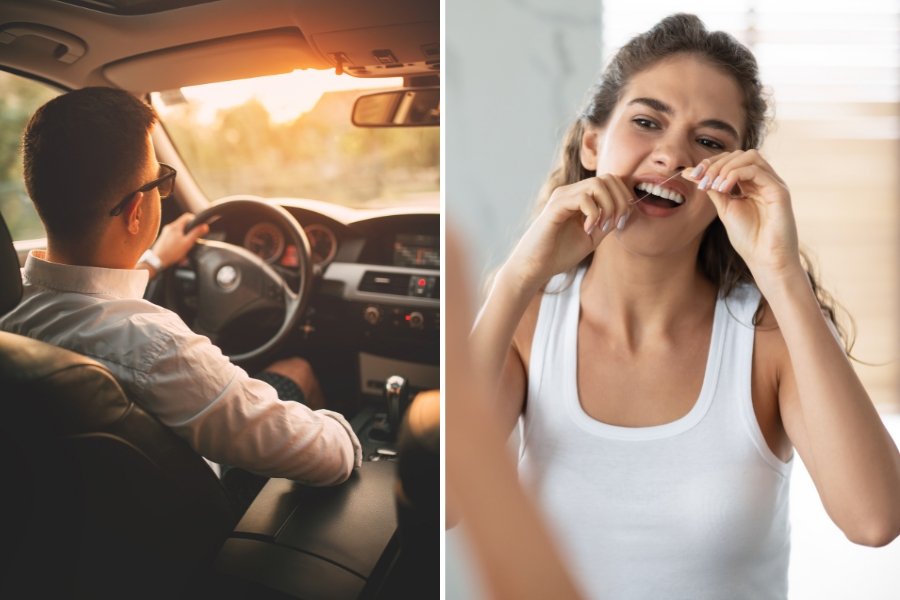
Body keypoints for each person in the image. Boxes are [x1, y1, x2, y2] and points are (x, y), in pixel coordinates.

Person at [469, 13, 900, 599]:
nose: (671, 155)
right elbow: (445, 498)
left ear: (735, 177)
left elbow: (873, 520)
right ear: (593, 142)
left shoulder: (767, 332)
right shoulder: (526, 317)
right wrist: (517, 277)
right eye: (647, 121)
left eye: (709, 141)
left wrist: (781, 272)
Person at [0, 87, 361, 503]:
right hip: (205, 517)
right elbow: (330, 459)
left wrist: (154, 260)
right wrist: (355, 441)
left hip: (87, 512)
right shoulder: (156, 346)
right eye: (161, 180)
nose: (162, 190)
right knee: (300, 372)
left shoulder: (15, 307)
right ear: (136, 211)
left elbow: (83, 292)